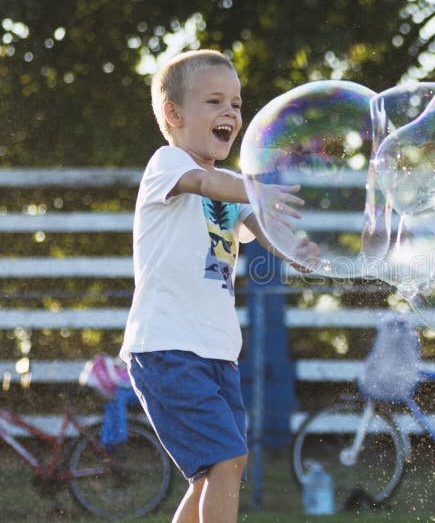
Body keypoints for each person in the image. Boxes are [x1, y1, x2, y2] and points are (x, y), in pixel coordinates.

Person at [120, 49, 318, 523]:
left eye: (236, 103)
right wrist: (256, 189)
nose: (230, 112)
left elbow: (264, 228)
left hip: (216, 352)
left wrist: (298, 250)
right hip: (168, 349)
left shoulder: (233, 186)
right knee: (225, 462)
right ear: (173, 113)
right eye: (214, 101)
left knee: (217, 471)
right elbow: (207, 186)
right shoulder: (167, 165)